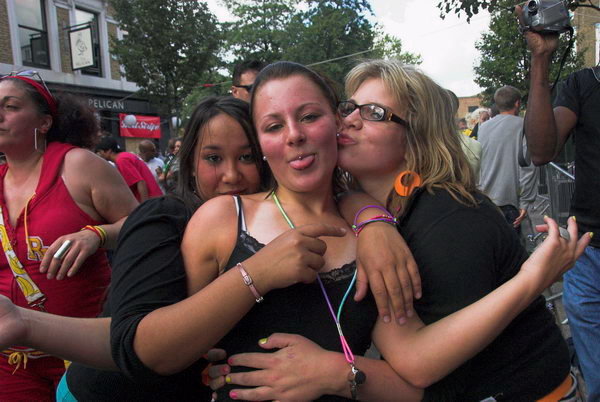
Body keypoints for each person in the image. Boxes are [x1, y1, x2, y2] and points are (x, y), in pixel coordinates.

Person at [181, 61, 589, 401]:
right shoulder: (374, 211)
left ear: (416, 136)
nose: (350, 121)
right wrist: (370, 218)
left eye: (374, 113)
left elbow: (419, 366)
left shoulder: (448, 217)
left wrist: (531, 280)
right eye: (350, 107)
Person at [0, 71, 137, 399]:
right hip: (10, 360)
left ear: (44, 123)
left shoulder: (77, 166)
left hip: (85, 352)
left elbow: (144, 227)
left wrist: (97, 235)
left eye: (10, 106)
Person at [518, 5, 600, 398]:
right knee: (596, 373)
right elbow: (541, 150)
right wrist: (541, 58)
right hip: (590, 250)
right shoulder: (586, 83)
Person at [478, 85, 534, 235]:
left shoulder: (483, 128)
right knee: (513, 253)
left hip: (486, 200)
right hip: (510, 201)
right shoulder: (523, 126)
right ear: (517, 103)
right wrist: (525, 202)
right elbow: (527, 166)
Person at [96, 136, 163, 202]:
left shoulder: (122, 160)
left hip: (151, 202)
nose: (99, 155)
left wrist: (144, 208)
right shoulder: (123, 157)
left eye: (100, 152)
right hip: (153, 200)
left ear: (108, 151)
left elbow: (141, 182)